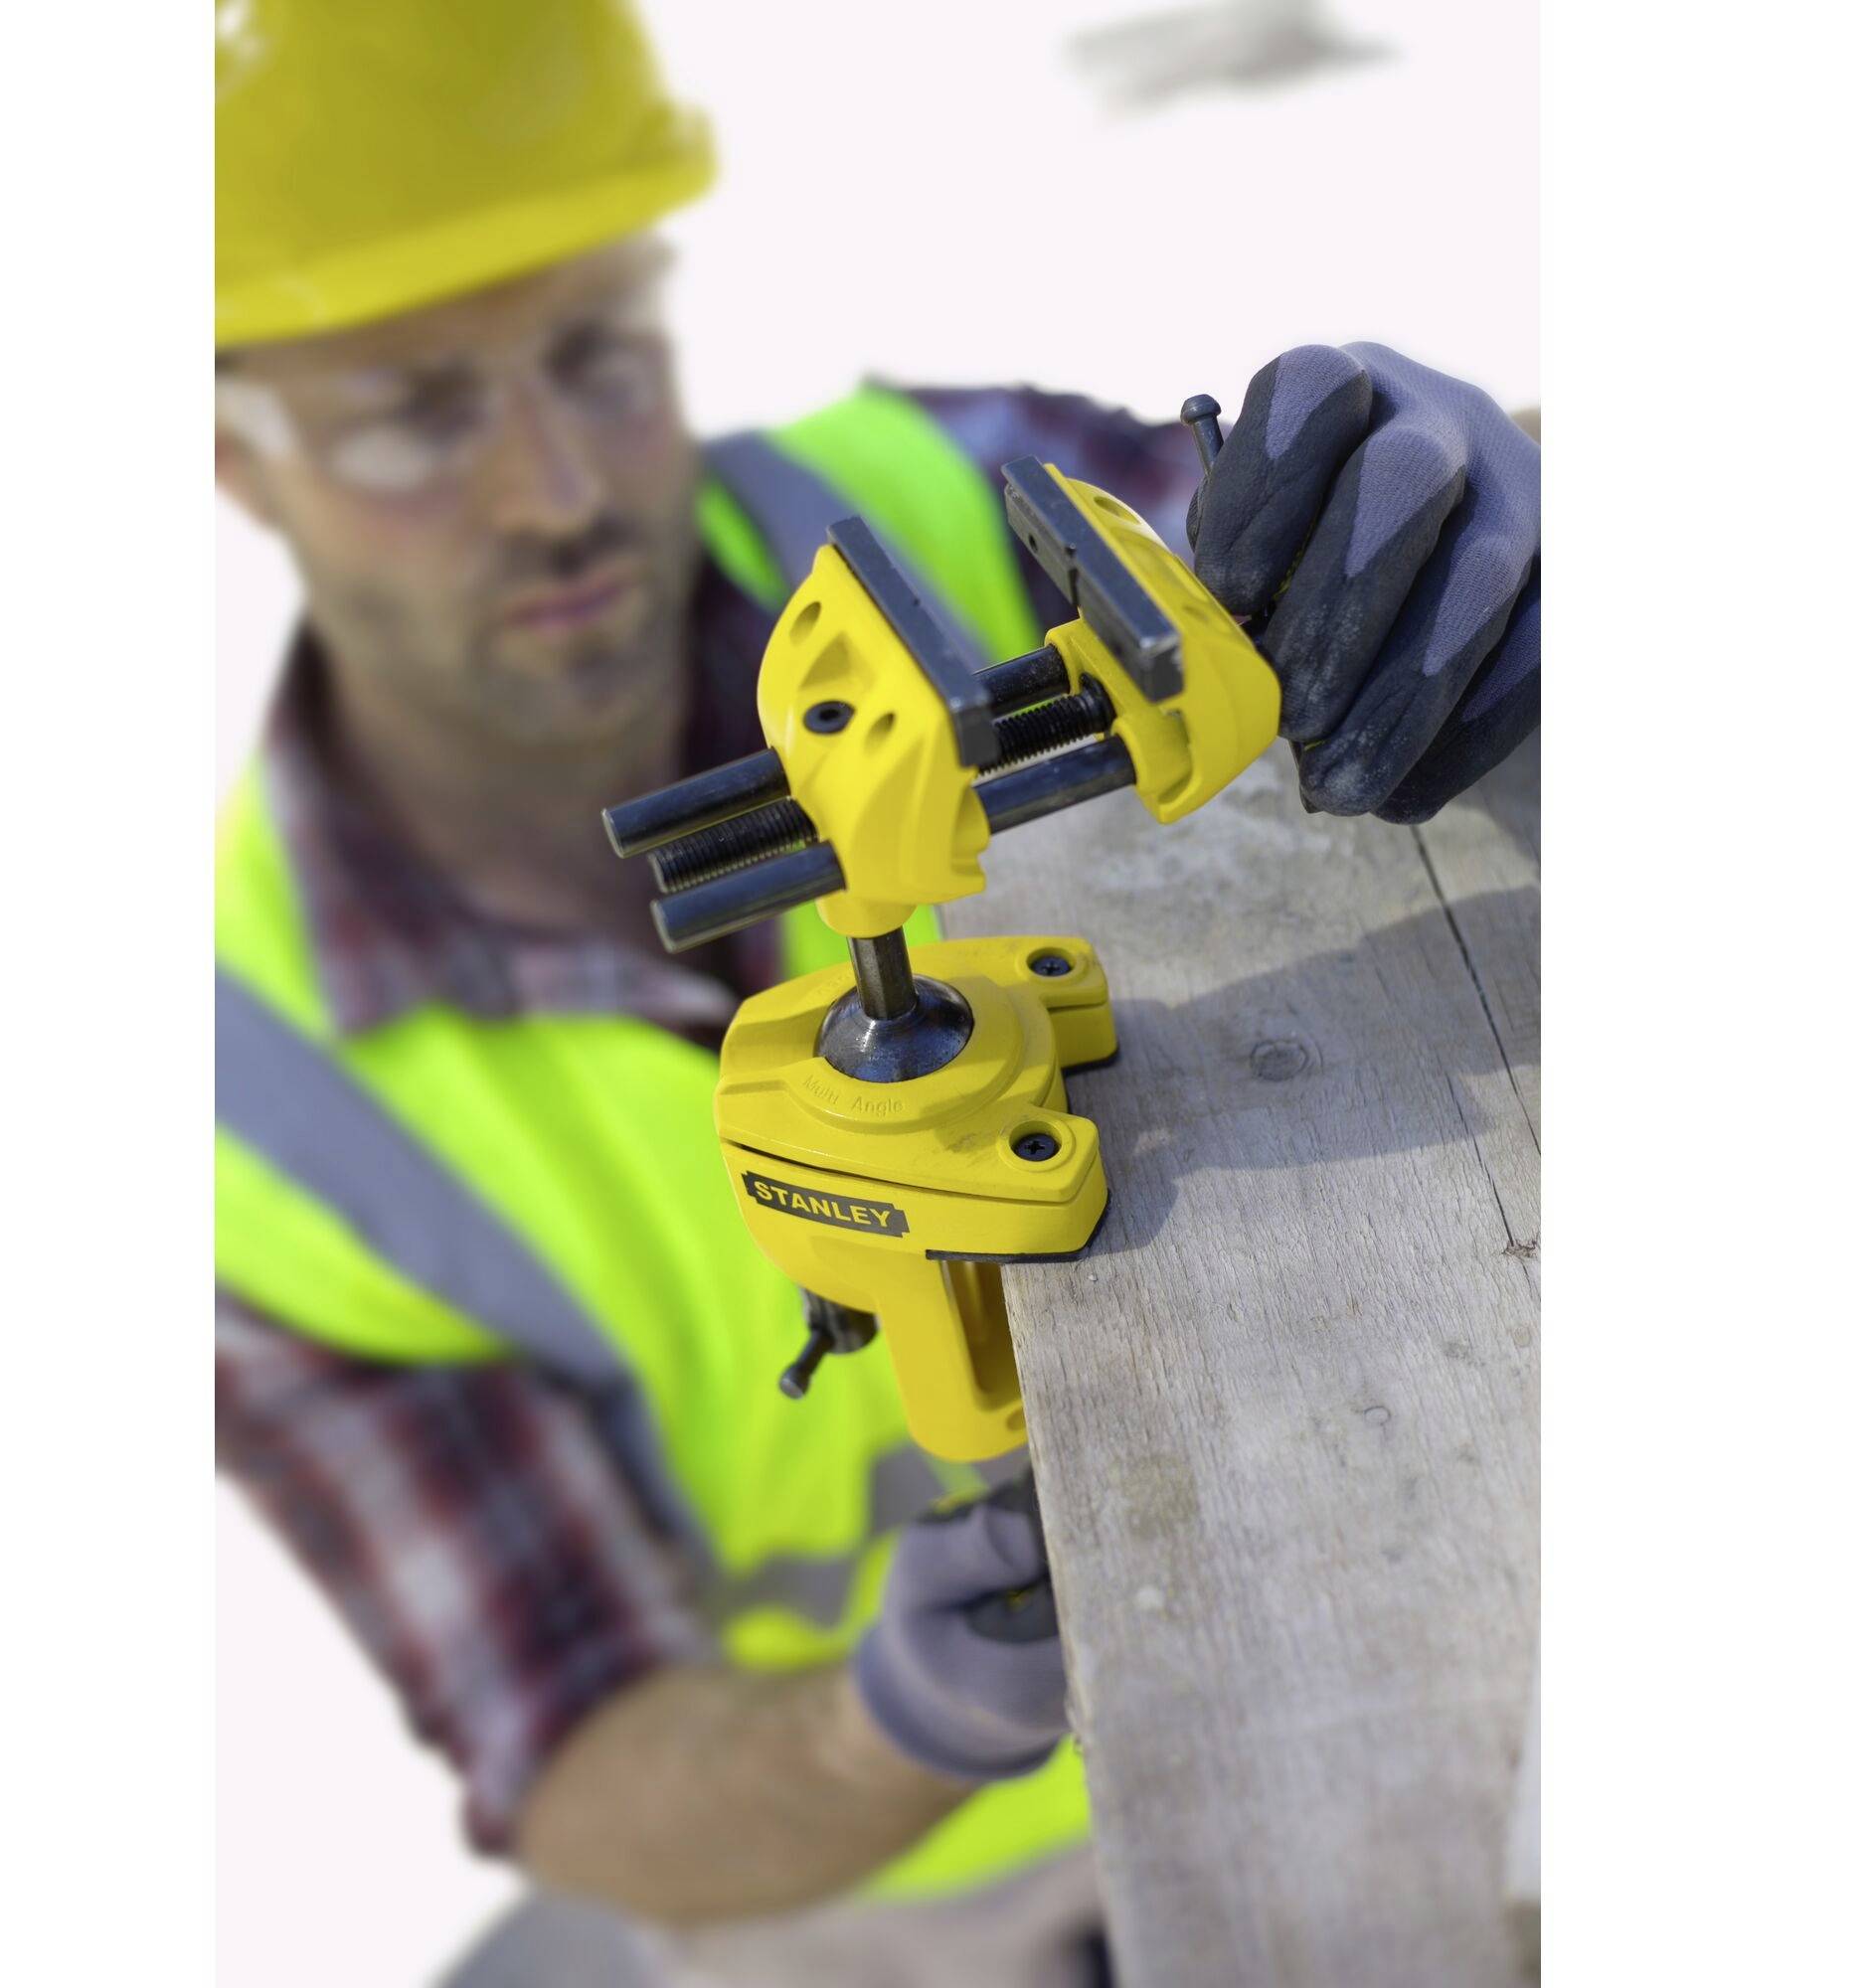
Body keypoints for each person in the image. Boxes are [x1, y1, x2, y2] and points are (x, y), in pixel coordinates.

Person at [214, 3, 1540, 1980]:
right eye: (416, 412)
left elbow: (1286, 587)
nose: (556, 488)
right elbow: (563, 1739)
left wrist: (1481, 524)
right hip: (895, 1906)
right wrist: (890, 1722)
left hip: (1385, 1635)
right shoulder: (259, 1117)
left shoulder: (941, 496)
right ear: (229, 456)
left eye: (599, 351)